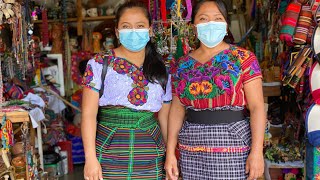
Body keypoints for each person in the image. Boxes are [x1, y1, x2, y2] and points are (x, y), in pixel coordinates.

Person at [165, 0, 266, 179]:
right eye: (203, 18)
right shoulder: (182, 65)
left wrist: (257, 152)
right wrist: (171, 152)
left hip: (232, 141)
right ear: (194, 26)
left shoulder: (243, 59)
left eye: (217, 19)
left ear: (226, 26)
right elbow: (176, 109)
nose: (210, 24)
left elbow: (257, 107)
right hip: (191, 144)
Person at [81, 2, 172, 179]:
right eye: (126, 26)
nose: (133, 31)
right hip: (109, 147)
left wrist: (170, 155)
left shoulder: (163, 68)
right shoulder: (99, 64)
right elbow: (88, 115)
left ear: (150, 30)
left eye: (140, 26)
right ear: (116, 32)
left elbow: (165, 117)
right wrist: (90, 158)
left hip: (151, 149)